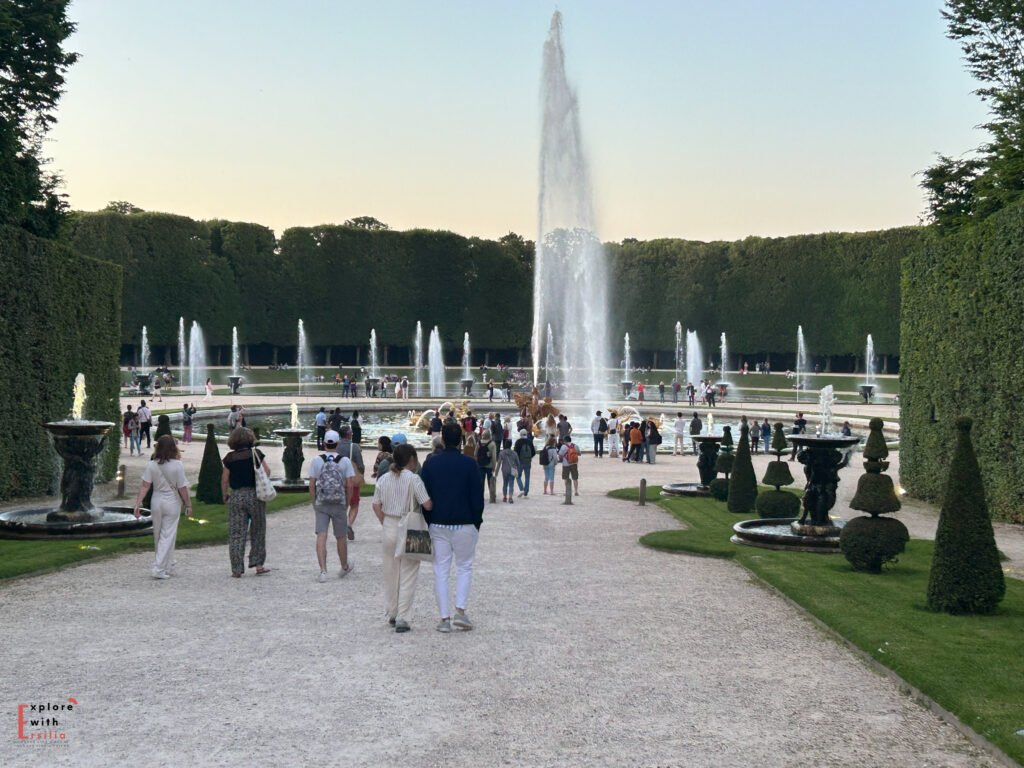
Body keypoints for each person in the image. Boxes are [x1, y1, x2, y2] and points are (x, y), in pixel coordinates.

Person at [420, 422, 485, 633]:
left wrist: (429, 520)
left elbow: (424, 495)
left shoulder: (431, 464)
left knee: (441, 570)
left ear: (443, 440)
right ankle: (461, 611)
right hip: (465, 522)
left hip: (438, 522)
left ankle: (444, 618)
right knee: (465, 566)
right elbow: (477, 498)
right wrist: (476, 522)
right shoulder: (470, 464)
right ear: (461, 441)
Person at [372, 443, 433, 633]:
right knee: (409, 572)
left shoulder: (384, 479)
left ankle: (392, 611)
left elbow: (376, 505)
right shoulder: (414, 479)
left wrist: (386, 522)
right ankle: (403, 617)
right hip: (410, 525)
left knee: (390, 572)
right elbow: (427, 504)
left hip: (389, 524)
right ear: (412, 459)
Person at [132, 435, 191, 579]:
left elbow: (145, 485)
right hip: (171, 501)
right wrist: (188, 504)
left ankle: (168, 564)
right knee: (168, 534)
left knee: (159, 535)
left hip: (156, 500)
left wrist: (138, 503)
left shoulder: (152, 464)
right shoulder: (178, 465)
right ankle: (159, 568)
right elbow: (182, 487)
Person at [220, 427, 272, 577]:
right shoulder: (256, 454)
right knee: (258, 529)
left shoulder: (229, 458)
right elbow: (267, 471)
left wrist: (225, 494)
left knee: (236, 533)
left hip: (237, 495)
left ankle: (236, 568)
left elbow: (224, 479)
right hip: (255, 494)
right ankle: (258, 564)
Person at [308, 430, 355, 582]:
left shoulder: (316, 460)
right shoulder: (345, 461)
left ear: (324, 443)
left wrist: (314, 502)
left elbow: (312, 484)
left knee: (321, 535)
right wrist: (346, 502)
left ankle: (323, 571)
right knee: (340, 536)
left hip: (322, 502)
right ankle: (344, 566)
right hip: (339, 502)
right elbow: (350, 484)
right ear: (338, 443)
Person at [337, 424, 365, 540]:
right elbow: (361, 465)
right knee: (354, 504)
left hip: (338, 479)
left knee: (342, 505)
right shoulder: (355, 447)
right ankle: (349, 524)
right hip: (351, 479)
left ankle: (342, 526)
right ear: (349, 434)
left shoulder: (336, 446)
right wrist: (361, 474)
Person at [512, 429, 535, 497]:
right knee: (527, 477)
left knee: (518, 476)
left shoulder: (518, 442)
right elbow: (533, 452)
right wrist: (529, 457)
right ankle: (526, 491)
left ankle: (521, 489)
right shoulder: (530, 441)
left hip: (520, 462)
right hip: (528, 461)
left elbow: (515, 452)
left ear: (520, 434)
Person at [476, 430, 497, 503]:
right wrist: (494, 467)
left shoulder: (478, 443)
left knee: (481, 482)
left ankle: (480, 497)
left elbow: (475, 454)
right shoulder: (492, 444)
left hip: (480, 465)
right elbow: (494, 457)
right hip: (489, 465)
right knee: (490, 482)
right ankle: (492, 498)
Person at [558, 434, 581, 500]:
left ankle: (567, 491)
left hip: (566, 464)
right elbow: (579, 453)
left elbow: (560, 455)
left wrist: (561, 459)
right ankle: (576, 491)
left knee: (566, 478)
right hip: (574, 463)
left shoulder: (563, 446)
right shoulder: (575, 446)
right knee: (575, 478)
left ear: (565, 441)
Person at [497, 438, 520, 504]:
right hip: (512, 470)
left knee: (505, 483)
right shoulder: (514, 453)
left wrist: (496, 472)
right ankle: (510, 497)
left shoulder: (502, 453)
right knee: (511, 484)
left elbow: (499, 463)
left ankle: (504, 497)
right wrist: (517, 469)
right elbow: (518, 463)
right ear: (511, 445)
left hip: (504, 470)